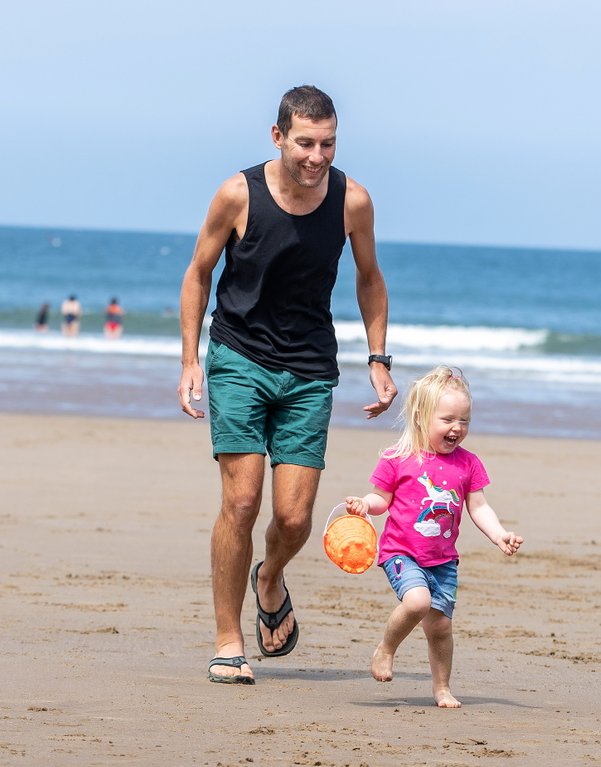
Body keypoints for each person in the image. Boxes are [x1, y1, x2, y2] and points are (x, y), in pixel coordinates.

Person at [178, 85, 398, 685]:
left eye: (328, 143)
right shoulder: (237, 194)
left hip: (308, 369)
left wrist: (378, 357)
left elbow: (370, 279)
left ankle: (270, 575)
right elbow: (198, 275)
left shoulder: (352, 201)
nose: (316, 156)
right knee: (242, 502)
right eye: (305, 142)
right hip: (239, 357)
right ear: (278, 137)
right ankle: (228, 640)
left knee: (295, 519)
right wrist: (191, 359)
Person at [344, 366, 523, 708]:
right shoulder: (397, 458)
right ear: (420, 416)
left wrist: (499, 535)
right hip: (401, 553)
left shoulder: (468, 464)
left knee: (440, 628)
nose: (457, 428)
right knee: (417, 602)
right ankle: (386, 648)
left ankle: (441, 688)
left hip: (443, 561)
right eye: (448, 419)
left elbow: (479, 507)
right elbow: (381, 499)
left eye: (464, 420)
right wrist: (364, 504)